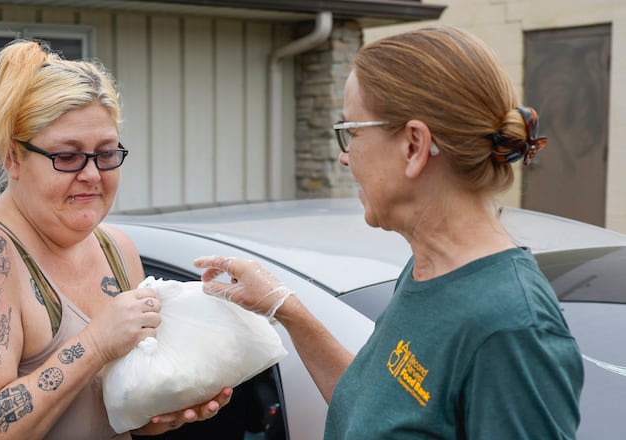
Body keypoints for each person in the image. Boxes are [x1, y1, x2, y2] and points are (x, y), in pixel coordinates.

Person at [195, 25, 582, 439]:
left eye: (352, 133)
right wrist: (285, 307)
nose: (345, 159)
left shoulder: (513, 329)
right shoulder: (425, 270)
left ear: (414, 145)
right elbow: (368, 410)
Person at [0, 39, 231, 439]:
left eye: (106, 154)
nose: (92, 174)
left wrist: (167, 406)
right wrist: (96, 345)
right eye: (68, 156)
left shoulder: (118, 250)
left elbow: (118, 412)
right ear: (13, 157)